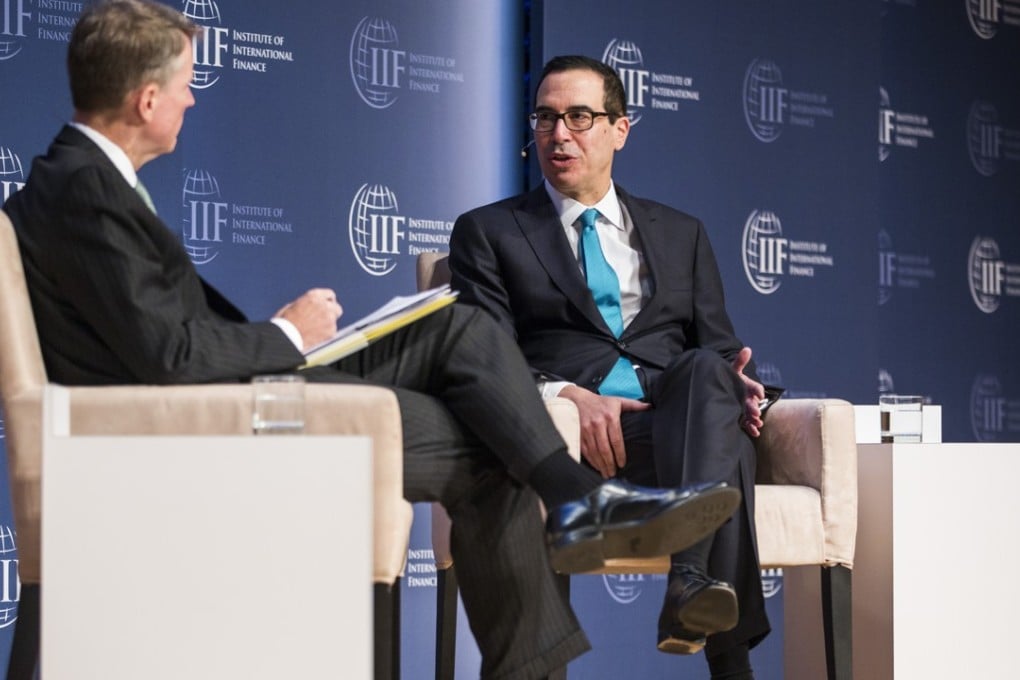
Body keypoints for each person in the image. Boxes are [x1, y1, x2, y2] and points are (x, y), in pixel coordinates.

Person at [1, 5, 742, 680]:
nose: (194, 99)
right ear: (147, 100)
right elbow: (169, 360)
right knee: (495, 441)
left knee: (458, 330)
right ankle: (579, 512)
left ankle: (581, 505)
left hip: (232, 394)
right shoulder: (83, 194)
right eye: (187, 85)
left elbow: (161, 340)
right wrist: (288, 333)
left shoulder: (84, 183)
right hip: (207, 424)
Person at [449, 55, 772, 680]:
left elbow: (721, 347)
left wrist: (742, 384)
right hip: (568, 443)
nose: (559, 134)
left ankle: (688, 580)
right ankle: (724, 652)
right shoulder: (490, 232)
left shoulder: (682, 234)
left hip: (674, 431)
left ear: (620, 129)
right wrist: (568, 395)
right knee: (727, 448)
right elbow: (482, 356)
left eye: (578, 117)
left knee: (710, 377)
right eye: (545, 118)